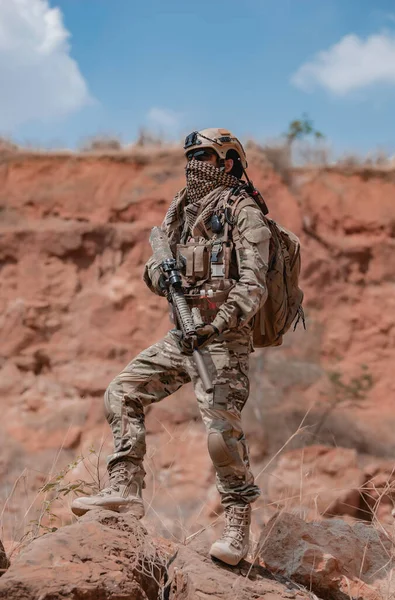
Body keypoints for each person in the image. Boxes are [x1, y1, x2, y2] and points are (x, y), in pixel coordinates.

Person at [71, 128, 272, 566]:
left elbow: (253, 287)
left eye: (205, 156)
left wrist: (215, 324)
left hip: (222, 342)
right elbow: (151, 266)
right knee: (122, 392)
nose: (195, 164)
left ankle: (237, 524)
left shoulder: (245, 213)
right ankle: (124, 487)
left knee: (221, 434)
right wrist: (160, 276)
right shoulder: (179, 211)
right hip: (183, 334)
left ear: (229, 162)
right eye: (191, 156)